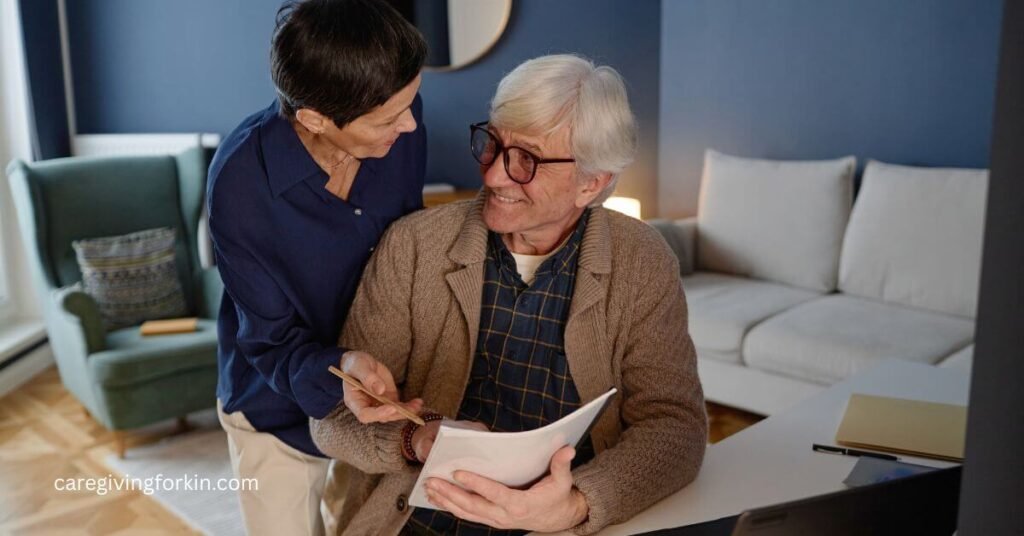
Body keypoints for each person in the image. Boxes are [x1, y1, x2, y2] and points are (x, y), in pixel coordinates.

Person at [311, 54, 707, 536]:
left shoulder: (642, 262)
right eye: (493, 144)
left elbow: (675, 428)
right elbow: (331, 415)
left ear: (592, 183)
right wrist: (414, 440)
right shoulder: (414, 246)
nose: (495, 175)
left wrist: (578, 504)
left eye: (528, 160)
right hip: (421, 519)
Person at [206, 1, 427, 534]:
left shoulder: (397, 117)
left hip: (377, 401)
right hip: (274, 407)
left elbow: (410, 248)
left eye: (411, 104)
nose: (412, 123)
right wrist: (342, 366)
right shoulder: (240, 189)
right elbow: (272, 342)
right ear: (314, 119)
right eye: (389, 118)